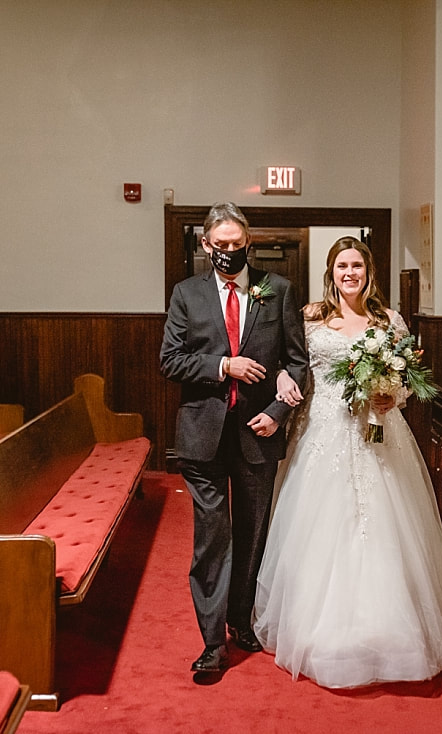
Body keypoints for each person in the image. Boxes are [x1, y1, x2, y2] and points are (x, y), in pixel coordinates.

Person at [252, 236, 442, 689]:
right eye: (341, 266)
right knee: (321, 528)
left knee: (387, 527)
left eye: (356, 265)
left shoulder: (388, 320)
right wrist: (279, 375)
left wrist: (391, 395)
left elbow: (407, 382)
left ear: (368, 271)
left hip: (379, 432)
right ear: (331, 273)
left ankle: (393, 627)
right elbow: (289, 362)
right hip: (323, 431)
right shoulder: (312, 318)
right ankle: (319, 629)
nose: (349, 273)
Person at [160, 202, 309, 677]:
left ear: (249, 243)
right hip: (202, 435)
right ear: (206, 245)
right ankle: (211, 643)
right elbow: (171, 360)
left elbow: (298, 361)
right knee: (212, 538)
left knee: (252, 534)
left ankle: (242, 621)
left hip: (256, 434)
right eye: (219, 245)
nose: (228, 252)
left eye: (236, 245)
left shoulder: (277, 290)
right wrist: (223, 366)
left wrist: (277, 412)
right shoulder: (187, 294)